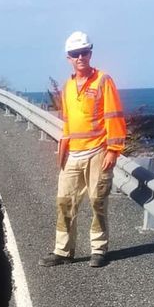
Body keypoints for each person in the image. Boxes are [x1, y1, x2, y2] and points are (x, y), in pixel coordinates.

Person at [40, 31, 127, 268]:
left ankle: (98, 249)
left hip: (98, 151)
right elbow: (68, 121)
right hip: (73, 154)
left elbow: (114, 116)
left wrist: (113, 149)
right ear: (68, 57)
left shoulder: (102, 80)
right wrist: (64, 149)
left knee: (97, 201)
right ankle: (63, 250)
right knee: (64, 201)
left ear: (90, 53)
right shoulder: (68, 86)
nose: (80, 57)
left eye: (84, 52)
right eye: (75, 54)